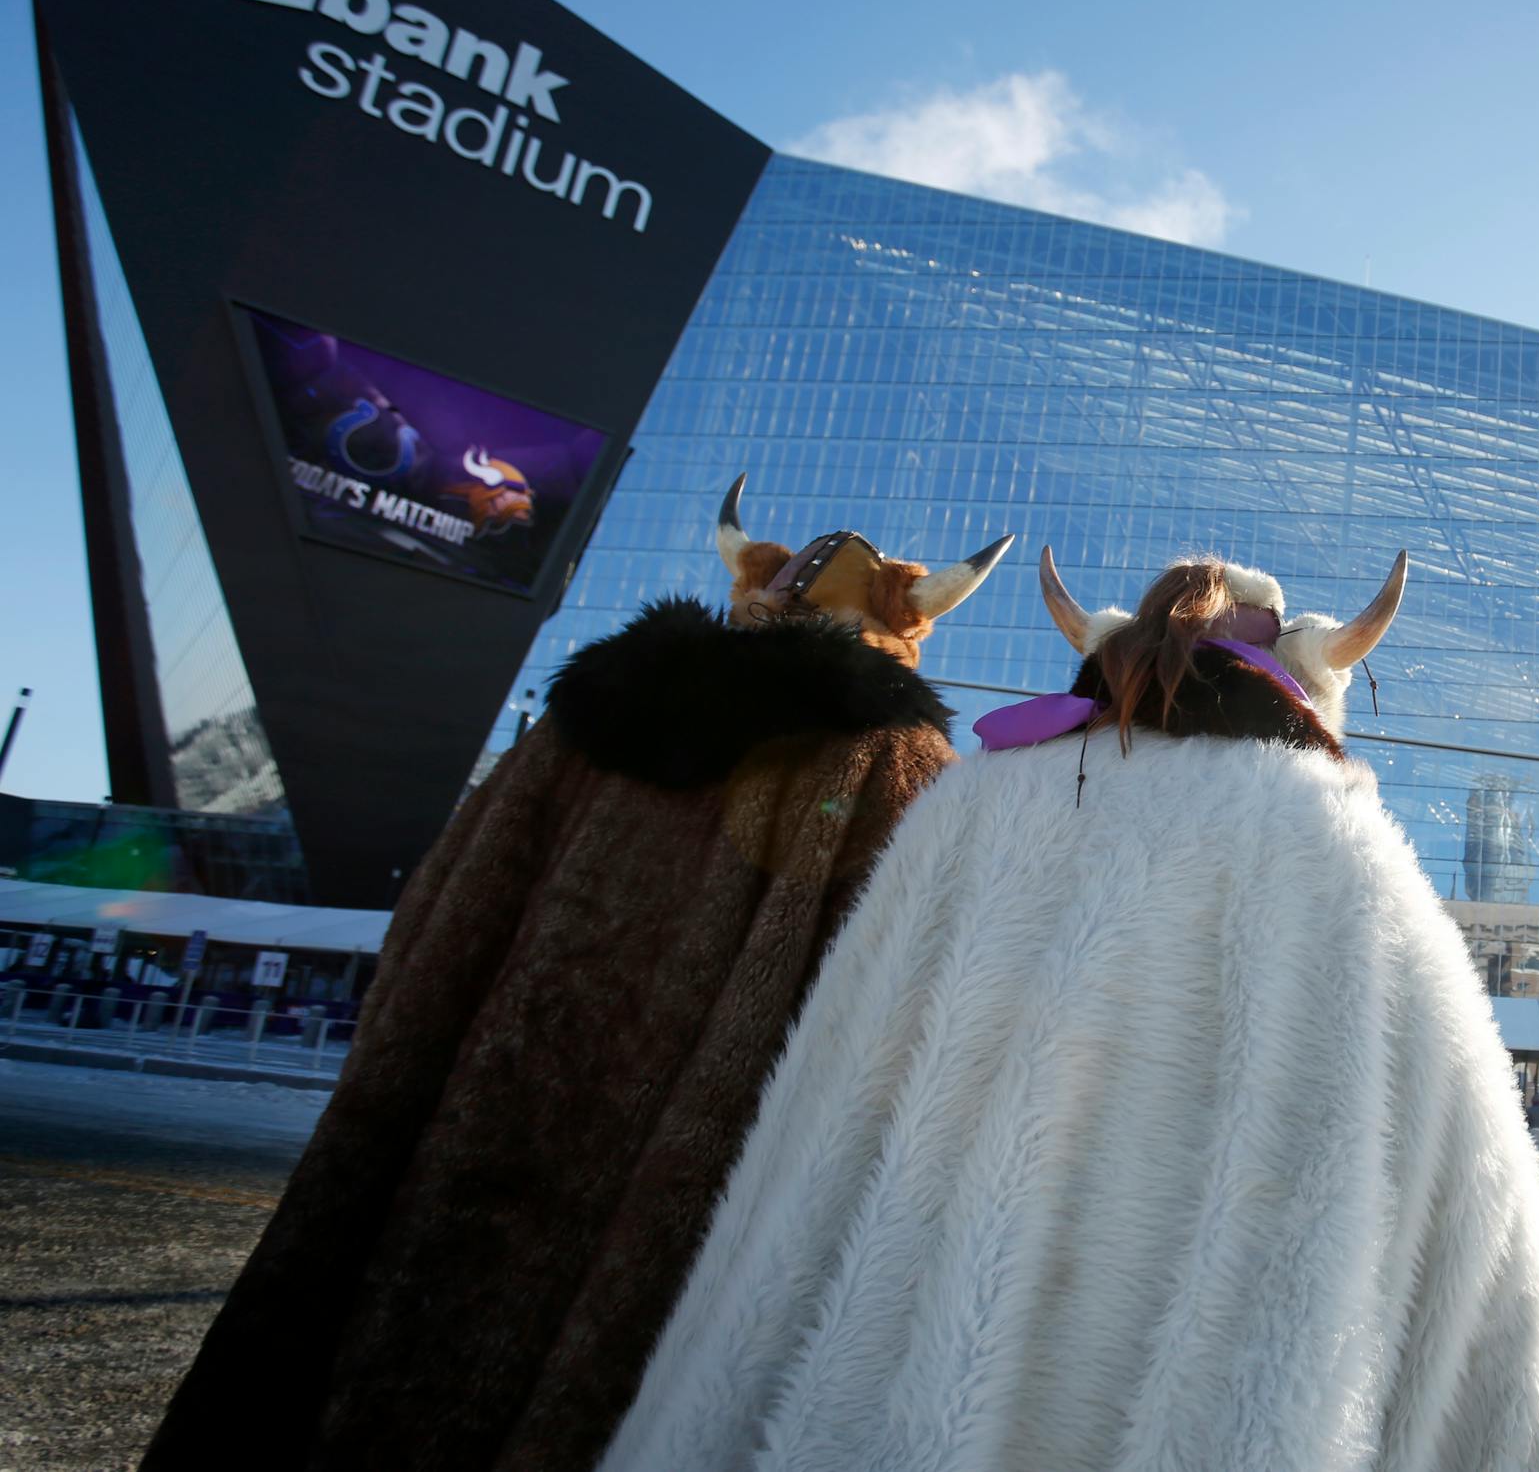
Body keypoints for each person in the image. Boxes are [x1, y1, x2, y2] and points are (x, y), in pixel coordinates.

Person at [598, 549, 1539, 1471]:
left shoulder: (966, 805)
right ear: (1301, 670)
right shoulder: (1348, 853)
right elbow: (1482, 1219)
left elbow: (819, 1108)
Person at [142, 478, 1012, 1472]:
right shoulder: (891, 760)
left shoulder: (577, 726)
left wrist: (397, 1071)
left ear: (752, 600)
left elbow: (435, 916)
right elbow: (912, 1001)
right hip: (692, 1174)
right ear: (901, 626)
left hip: (473, 1120)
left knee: (365, 1367)